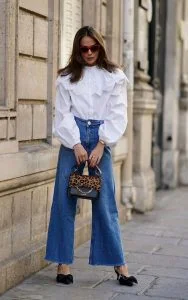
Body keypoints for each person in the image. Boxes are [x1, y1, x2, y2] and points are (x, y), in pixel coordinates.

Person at [45, 26, 138, 287]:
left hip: (100, 136)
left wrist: (100, 144)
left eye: (93, 47)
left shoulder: (114, 76)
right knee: (64, 202)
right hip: (71, 136)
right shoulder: (66, 78)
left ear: (100, 46)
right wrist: (75, 143)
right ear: (78, 49)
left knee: (106, 202)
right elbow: (62, 113)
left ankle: (120, 266)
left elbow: (118, 112)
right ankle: (63, 264)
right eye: (84, 48)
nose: (89, 53)